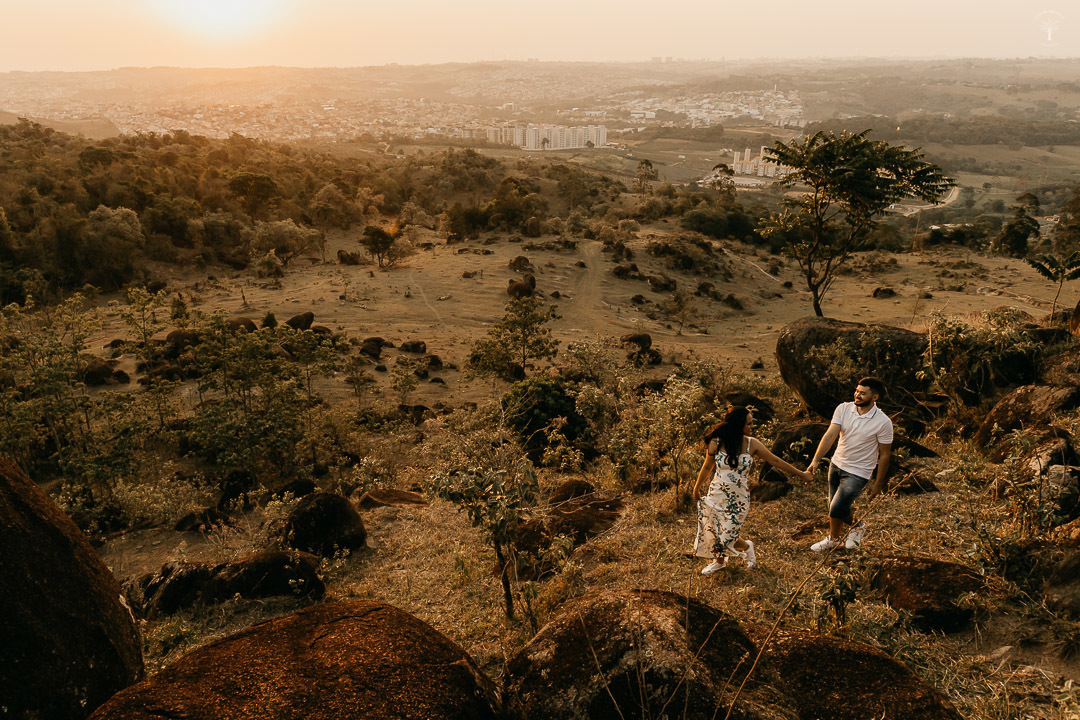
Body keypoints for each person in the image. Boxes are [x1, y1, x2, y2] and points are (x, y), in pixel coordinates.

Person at [692, 406, 812, 575]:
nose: (752, 427)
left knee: (729, 535)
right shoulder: (716, 442)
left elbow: (775, 461)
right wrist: (696, 487)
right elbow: (707, 467)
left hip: (739, 497)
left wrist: (801, 474)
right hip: (716, 493)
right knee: (714, 529)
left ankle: (747, 546)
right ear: (737, 425)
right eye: (749, 424)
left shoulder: (752, 444)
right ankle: (719, 562)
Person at [806, 377, 893, 552]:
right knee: (834, 507)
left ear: (874, 397)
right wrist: (815, 460)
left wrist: (878, 484)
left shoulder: (883, 422)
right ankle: (834, 539)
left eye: (862, 393)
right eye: (856, 391)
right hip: (837, 464)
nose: (857, 395)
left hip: (859, 471)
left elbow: (884, 455)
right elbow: (830, 435)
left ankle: (858, 526)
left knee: (836, 507)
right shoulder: (844, 409)